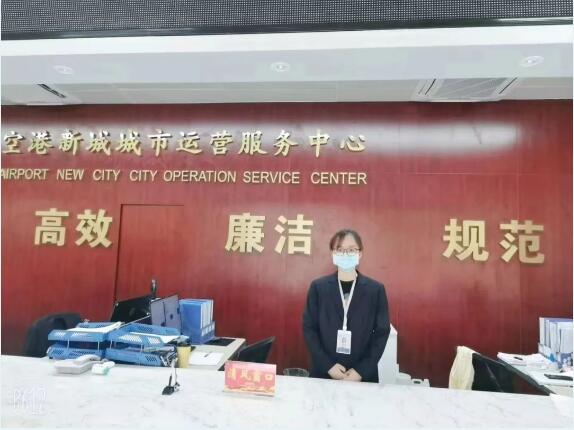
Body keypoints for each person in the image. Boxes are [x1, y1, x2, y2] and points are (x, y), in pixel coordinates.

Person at [302, 229, 390, 382]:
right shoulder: (318, 288)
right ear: (333, 253)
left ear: (360, 253)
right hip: (324, 373)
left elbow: (381, 333)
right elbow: (309, 329)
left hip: (363, 376)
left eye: (351, 250)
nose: (345, 254)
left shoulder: (375, 290)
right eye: (340, 249)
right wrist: (328, 366)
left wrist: (361, 371)